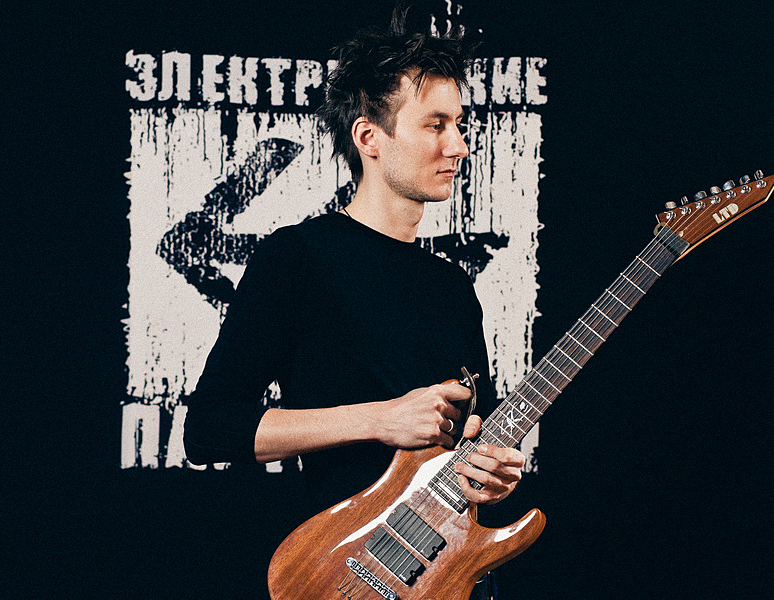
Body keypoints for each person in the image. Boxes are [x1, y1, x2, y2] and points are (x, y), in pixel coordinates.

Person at [185, 9, 525, 599]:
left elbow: (470, 445)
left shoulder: (453, 287)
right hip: (343, 575)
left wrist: (489, 475)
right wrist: (380, 419)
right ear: (369, 138)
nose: (459, 145)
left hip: (444, 578)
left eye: (459, 124)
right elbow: (211, 428)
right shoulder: (297, 258)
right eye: (435, 125)